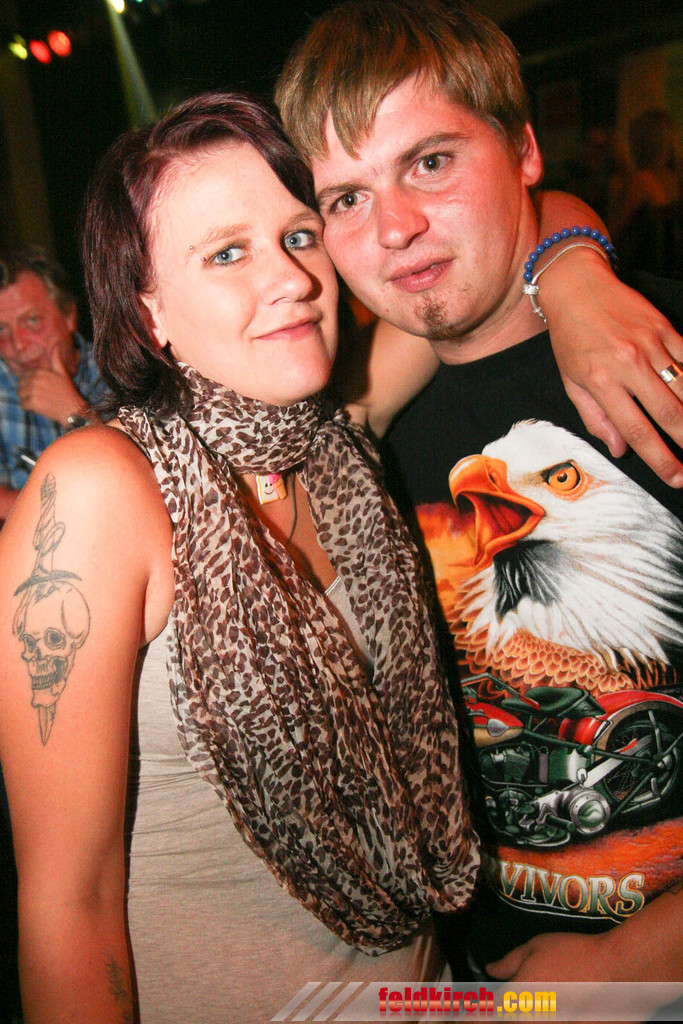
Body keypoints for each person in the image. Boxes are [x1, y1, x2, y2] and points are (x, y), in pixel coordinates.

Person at [0, 91, 484, 1024]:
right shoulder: (101, 491)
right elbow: (67, 905)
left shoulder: (336, 443)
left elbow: (486, 259)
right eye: (227, 253)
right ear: (148, 311)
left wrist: (574, 269)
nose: (292, 278)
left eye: (299, 236)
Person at [275, 0, 683, 1000]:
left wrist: (625, 966)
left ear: (524, 149)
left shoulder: (655, 357)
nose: (395, 228)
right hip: (475, 985)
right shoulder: (348, 434)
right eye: (345, 197)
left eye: (429, 162)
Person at [0, 249, 107, 524]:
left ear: (68, 315)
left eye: (32, 321)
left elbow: (142, 485)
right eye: (1, 330)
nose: (18, 345)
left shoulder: (118, 374)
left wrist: (75, 413)